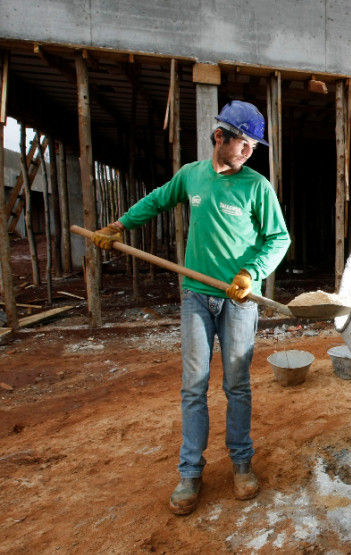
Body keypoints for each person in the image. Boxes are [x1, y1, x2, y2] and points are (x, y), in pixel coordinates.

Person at [91, 100, 290, 516]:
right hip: (196, 296)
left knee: (237, 385)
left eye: (254, 146)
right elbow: (157, 200)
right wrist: (119, 226)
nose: (248, 152)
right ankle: (190, 473)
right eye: (243, 143)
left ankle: (241, 464)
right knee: (194, 386)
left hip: (239, 300)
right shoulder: (191, 176)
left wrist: (251, 273)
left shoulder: (256, 186)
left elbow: (279, 238)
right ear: (220, 136)